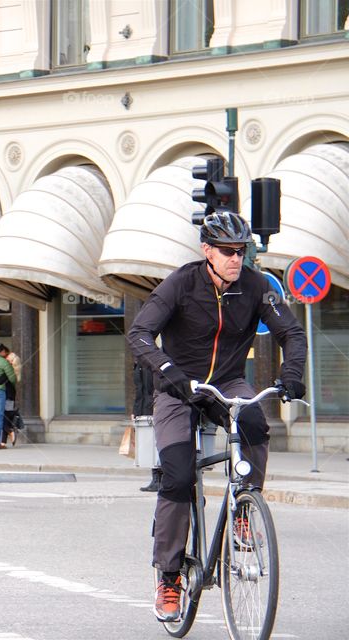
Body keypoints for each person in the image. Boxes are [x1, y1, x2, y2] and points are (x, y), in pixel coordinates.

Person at [127, 212, 306, 623]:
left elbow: (291, 334)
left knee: (256, 424)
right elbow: (138, 333)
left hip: (226, 383)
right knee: (177, 476)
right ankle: (169, 576)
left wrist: (291, 375)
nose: (235, 259)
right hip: (178, 389)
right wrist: (168, 371)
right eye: (227, 251)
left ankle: (244, 508)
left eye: (241, 251)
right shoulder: (181, 283)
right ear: (206, 250)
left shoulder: (256, 286)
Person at [133, 361, 161, 492]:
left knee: (157, 443)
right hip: (144, 408)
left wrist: (157, 406)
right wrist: (136, 411)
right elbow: (139, 390)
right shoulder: (138, 365)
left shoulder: (152, 362)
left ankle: (159, 479)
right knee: (150, 444)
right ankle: (156, 479)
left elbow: (156, 388)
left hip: (155, 407)